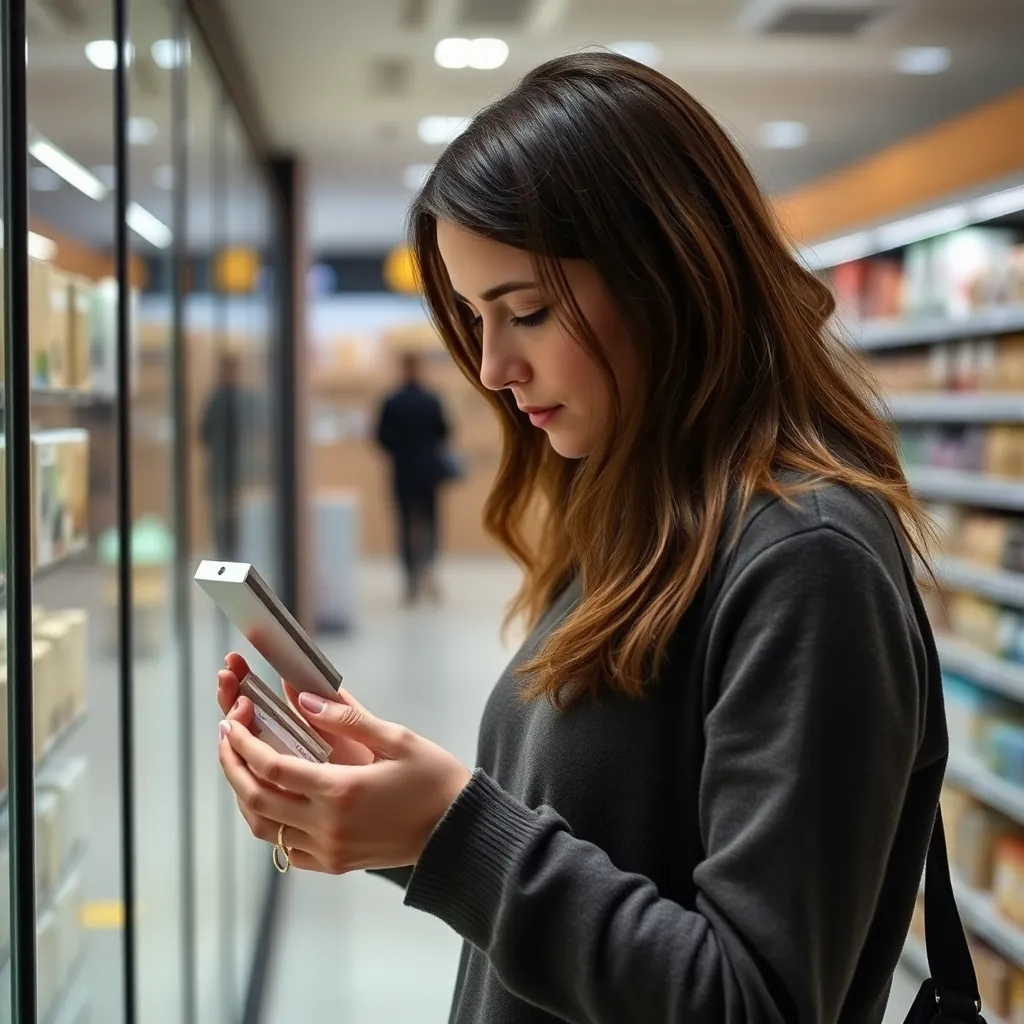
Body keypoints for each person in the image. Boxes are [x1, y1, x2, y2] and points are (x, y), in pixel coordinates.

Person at [215, 52, 953, 1023]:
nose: (490, 365)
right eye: (474, 319)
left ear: (668, 273)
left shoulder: (805, 561)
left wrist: (452, 831)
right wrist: (392, 823)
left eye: (525, 311)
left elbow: (754, 1001)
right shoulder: (641, 514)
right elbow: (602, 856)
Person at [375, 351, 451, 603]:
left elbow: (381, 437)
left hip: (403, 472)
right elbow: (444, 432)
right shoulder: (431, 400)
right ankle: (428, 570)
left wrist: (400, 452)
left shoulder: (392, 401)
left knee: (405, 524)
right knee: (430, 523)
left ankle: (410, 578)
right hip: (429, 471)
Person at [200, 351, 245, 558]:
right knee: (225, 517)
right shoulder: (221, 399)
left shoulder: (227, 398)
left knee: (231, 518)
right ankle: (227, 556)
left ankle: (230, 556)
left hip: (232, 469)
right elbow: (204, 433)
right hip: (225, 468)